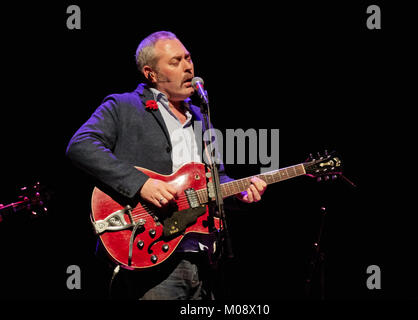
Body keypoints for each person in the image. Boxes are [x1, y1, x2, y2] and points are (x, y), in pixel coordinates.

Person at [66, 31, 267, 300]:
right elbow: (80, 145)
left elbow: (215, 181)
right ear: (151, 74)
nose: (188, 66)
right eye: (175, 62)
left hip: (204, 259)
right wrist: (141, 184)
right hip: (150, 254)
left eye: (188, 57)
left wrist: (240, 193)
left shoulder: (200, 117)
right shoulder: (123, 106)